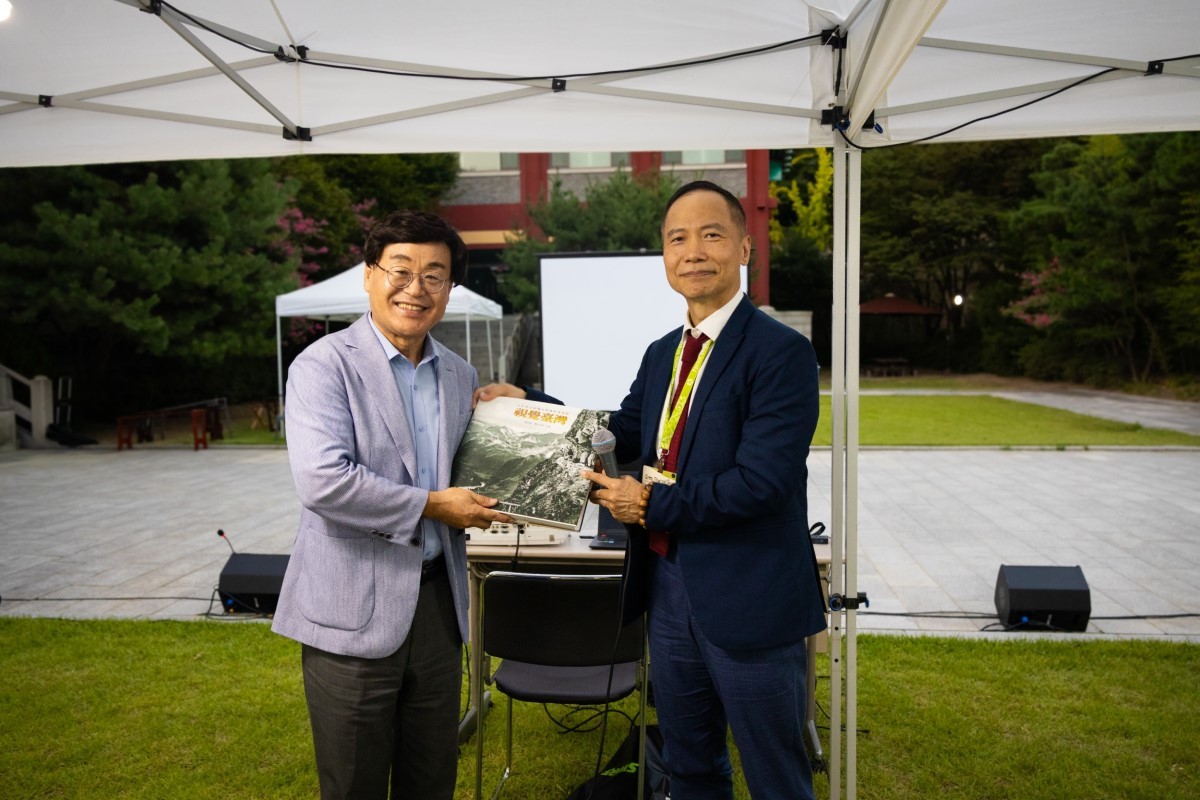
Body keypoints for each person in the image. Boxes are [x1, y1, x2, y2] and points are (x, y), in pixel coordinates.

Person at [478, 180, 824, 799]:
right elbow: (623, 430)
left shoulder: (781, 354)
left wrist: (652, 503)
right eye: (677, 238)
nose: (694, 251)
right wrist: (529, 405)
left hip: (750, 599)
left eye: (712, 234)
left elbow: (763, 484)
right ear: (664, 257)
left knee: (777, 777)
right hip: (668, 592)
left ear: (745, 247)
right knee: (690, 765)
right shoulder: (665, 352)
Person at [272, 210, 512, 800]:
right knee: (353, 780)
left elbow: (465, 470)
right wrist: (434, 505)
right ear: (368, 274)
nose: (416, 287)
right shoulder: (324, 365)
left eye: (436, 275)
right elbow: (324, 482)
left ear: (451, 288)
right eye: (400, 269)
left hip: (437, 604)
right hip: (350, 605)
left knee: (431, 775)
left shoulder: (458, 373)